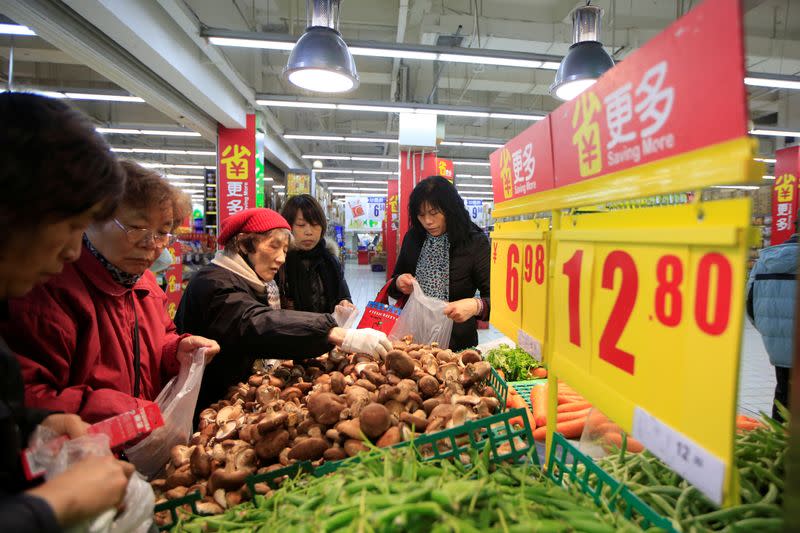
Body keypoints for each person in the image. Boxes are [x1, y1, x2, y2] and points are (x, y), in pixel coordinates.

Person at [0, 92, 134, 532]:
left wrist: (34, 424)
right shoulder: (46, 300)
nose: (74, 251)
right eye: (74, 226)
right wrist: (53, 505)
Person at [2, 160, 220, 424]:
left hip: (133, 443)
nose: (151, 245)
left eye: (163, 233)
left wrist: (175, 350)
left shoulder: (145, 284)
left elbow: (156, 338)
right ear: (89, 221)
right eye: (136, 229)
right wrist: (126, 411)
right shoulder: (46, 289)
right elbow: (28, 397)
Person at [175, 208, 392, 415]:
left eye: (285, 250)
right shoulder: (214, 283)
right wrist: (336, 333)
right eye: (273, 246)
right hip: (207, 406)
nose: (281, 258)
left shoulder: (250, 281)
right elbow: (254, 322)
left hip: (231, 395)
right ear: (243, 243)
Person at [389, 176, 490, 350]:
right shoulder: (414, 237)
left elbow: (495, 298)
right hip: (412, 339)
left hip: (456, 343)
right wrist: (398, 283)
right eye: (421, 215)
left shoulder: (474, 242)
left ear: (451, 210)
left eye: (434, 213)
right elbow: (394, 283)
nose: (428, 221)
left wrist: (476, 305)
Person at [747, 217, 797, 421]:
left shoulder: (766, 260)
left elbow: (749, 302)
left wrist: (771, 331)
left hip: (777, 345)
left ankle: (779, 447)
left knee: (783, 394)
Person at [278, 194, 354, 315]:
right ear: (288, 226)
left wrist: (345, 303)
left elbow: (343, 295)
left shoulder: (330, 260)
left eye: (314, 225)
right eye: (301, 225)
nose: (309, 232)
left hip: (328, 331)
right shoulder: (278, 262)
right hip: (290, 332)